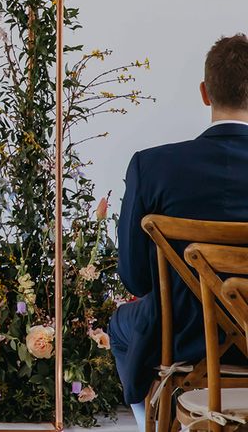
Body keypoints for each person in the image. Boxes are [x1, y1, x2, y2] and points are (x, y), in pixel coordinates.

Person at [110, 33, 248, 430]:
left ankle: (152, 421)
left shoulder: (152, 167)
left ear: (205, 93)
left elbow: (134, 277)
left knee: (122, 324)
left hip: (182, 338)